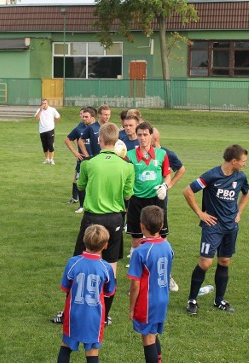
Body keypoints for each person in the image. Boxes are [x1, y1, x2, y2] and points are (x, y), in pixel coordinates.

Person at [54, 123, 133, 326]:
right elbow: (127, 195)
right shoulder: (127, 166)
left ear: (99, 141)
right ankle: (104, 316)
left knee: (79, 264)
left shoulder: (88, 163)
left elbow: (80, 185)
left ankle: (68, 312)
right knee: (111, 266)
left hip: (91, 219)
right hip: (115, 219)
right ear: (117, 142)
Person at [182, 144, 249, 315]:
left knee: (224, 261)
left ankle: (219, 300)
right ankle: (192, 299)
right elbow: (188, 191)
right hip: (212, 226)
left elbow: (246, 193)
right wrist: (200, 213)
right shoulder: (211, 175)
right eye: (243, 161)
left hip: (231, 226)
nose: (245, 164)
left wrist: (239, 212)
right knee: (205, 262)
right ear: (233, 161)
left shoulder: (241, 177)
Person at [57, 225, 116, 363]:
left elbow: (65, 287)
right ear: (105, 245)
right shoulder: (106, 267)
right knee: (92, 352)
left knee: (66, 346)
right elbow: (109, 291)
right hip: (94, 316)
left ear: (83, 240)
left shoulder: (73, 262)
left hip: (74, 314)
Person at [127, 205, 174, 363]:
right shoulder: (167, 246)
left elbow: (135, 285)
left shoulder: (141, 251)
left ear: (141, 226)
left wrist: (132, 308)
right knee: (153, 334)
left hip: (148, 301)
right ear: (161, 226)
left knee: (147, 339)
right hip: (163, 298)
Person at [125, 122, 171, 258]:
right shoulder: (129, 155)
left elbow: (167, 175)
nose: (142, 138)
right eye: (139, 135)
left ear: (151, 136)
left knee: (162, 235)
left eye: (145, 134)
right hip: (136, 200)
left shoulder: (162, 154)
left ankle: (163, 262)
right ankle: (136, 263)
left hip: (156, 200)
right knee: (136, 238)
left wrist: (165, 186)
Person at [151, 127, 186, 292]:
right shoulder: (138, 153)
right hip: (141, 203)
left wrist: (169, 185)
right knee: (140, 241)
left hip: (159, 205)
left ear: (154, 138)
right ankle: (141, 278)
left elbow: (181, 169)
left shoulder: (166, 154)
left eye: (146, 135)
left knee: (161, 240)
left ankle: (166, 275)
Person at [74, 107, 97, 213]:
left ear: (93, 117)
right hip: (84, 161)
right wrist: (78, 153)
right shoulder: (80, 127)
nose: (83, 119)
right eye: (82, 116)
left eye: (86, 117)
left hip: (97, 161)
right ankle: (82, 205)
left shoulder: (99, 128)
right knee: (81, 182)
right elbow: (76, 140)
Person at [63, 108, 88, 205]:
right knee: (77, 178)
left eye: (83, 114)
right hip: (82, 159)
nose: (81, 116)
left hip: (92, 158)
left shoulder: (95, 127)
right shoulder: (80, 126)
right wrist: (76, 152)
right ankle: (75, 198)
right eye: (81, 115)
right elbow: (72, 138)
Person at [34, 98, 60, 165]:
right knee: (45, 146)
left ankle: (52, 159)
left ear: (47, 103)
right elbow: (36, 119)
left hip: (50, 130)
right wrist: (40, 110)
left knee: (50, 145)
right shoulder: (39, 110)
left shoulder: (52, 110)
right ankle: (47, 159)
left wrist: (53, 123)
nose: (44, 105)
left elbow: (58, 117)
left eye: (45, 103)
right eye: (43, 103)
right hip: (42, 130)